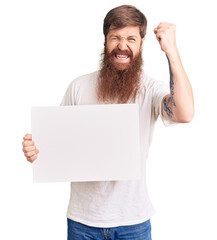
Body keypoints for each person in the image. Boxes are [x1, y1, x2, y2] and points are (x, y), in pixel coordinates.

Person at [22, 5, 194, 240]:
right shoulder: (79, 87)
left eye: (131, 38)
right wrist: (35, 151)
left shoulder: (150, 89)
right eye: (116, 37)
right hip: (82, 221)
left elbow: (184, 113)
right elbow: (55, 144)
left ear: (142, 43)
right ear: (105, 40)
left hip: (133, 222)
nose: (123, 46)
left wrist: (172, 52)